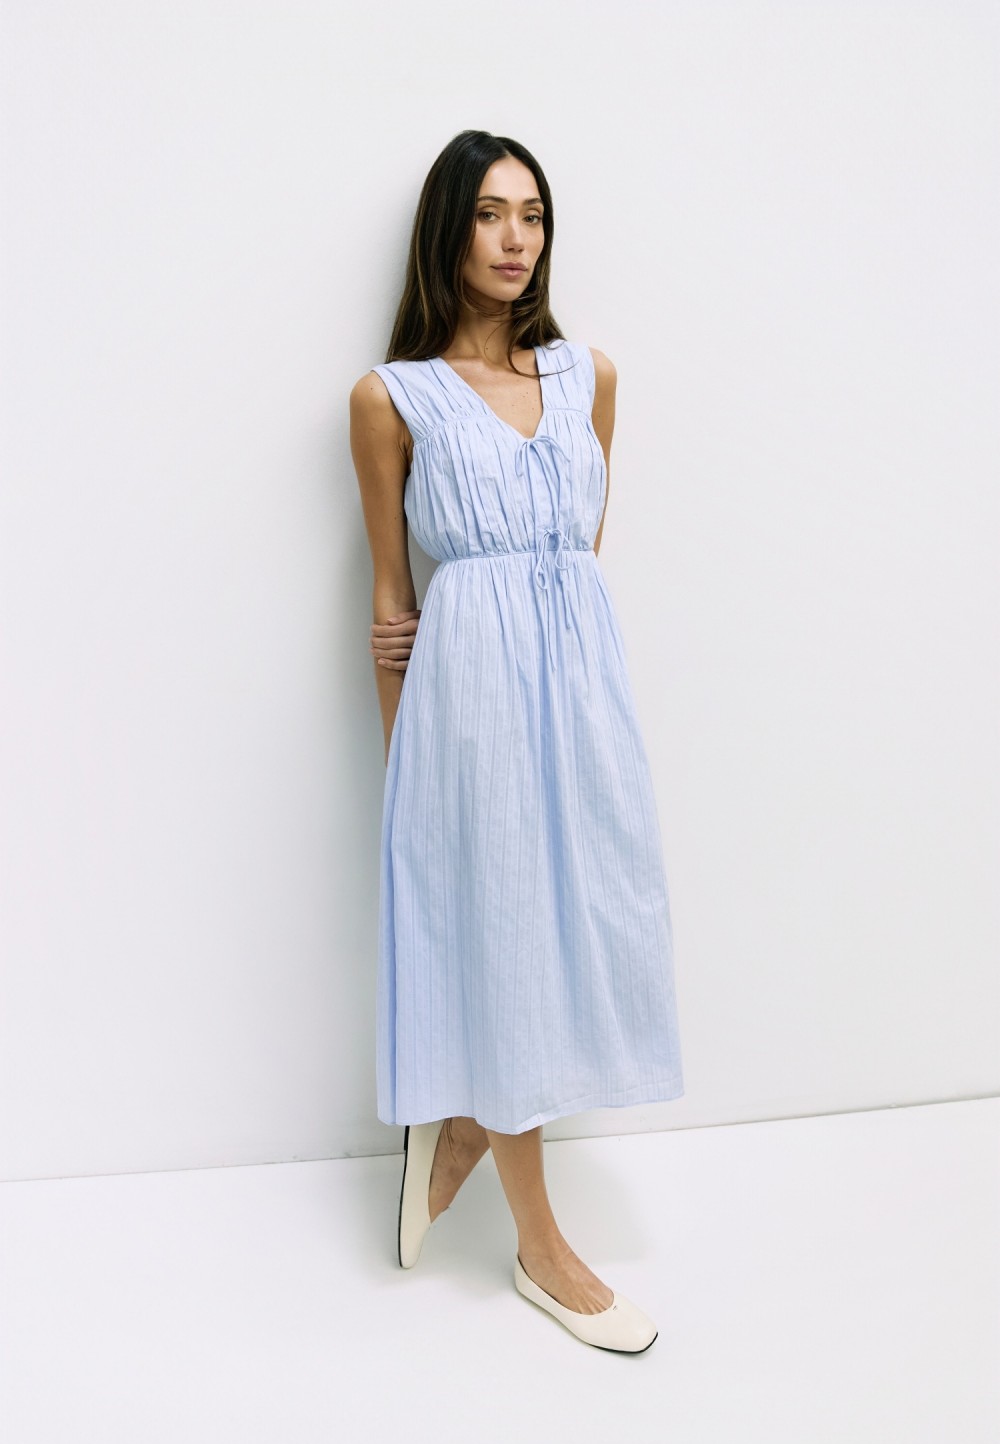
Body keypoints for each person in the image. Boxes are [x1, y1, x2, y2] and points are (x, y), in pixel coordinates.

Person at [350, 129, 684, 1353]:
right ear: (449, 230)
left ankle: (462, 1126)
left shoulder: (590, 376)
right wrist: (409, 770)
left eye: (531, 215)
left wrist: (572, 697)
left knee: (585, 923)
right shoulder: (390, 399)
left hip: (581, 697)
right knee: (501, 941)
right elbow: (394, 608)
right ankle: (541, 1250)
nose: (514, 239)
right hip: (465, 712)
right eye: (490, 214)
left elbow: (576, 556)